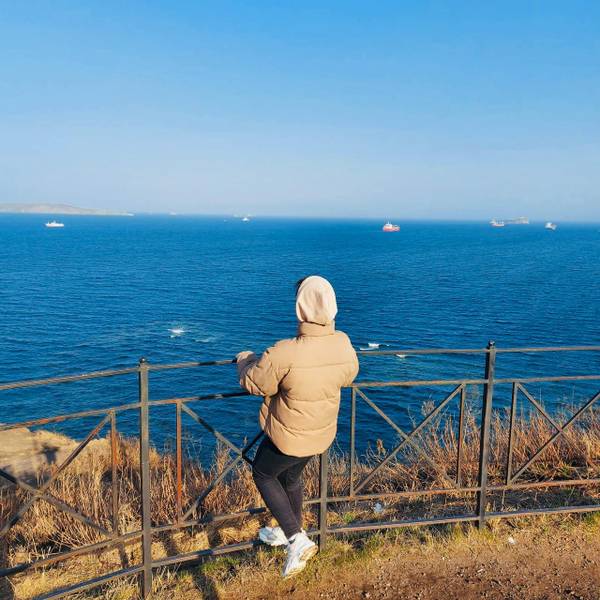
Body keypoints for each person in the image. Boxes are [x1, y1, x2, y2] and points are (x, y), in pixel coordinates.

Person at [236, 275, 359, 577]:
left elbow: (255, 383)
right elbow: (349, 375)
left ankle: (295, 539)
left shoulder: (285, 351)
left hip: (290, 436)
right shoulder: (343, 343)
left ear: (300, 308)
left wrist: (245, 359)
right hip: (321, 433)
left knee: (263, 473)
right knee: (290, 478)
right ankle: (290, 530)